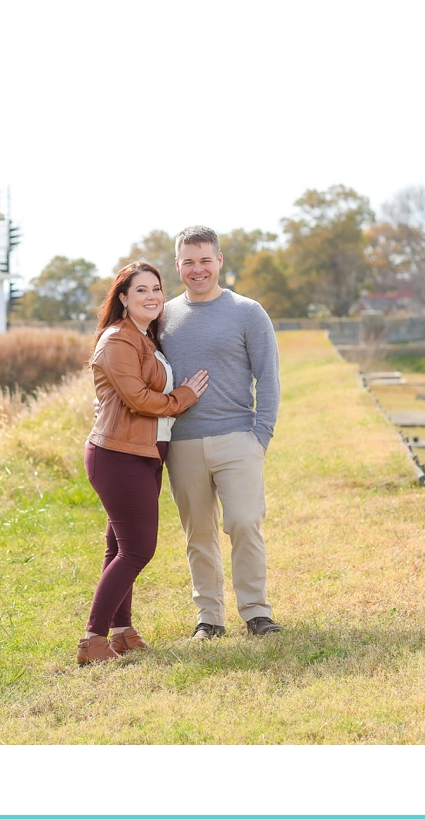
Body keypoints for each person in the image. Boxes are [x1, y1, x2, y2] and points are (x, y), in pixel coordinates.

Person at [78, 261, 210, 665]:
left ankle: (121, 632)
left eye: (156, 289)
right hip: (119, 454)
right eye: (141, 290)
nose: (152, 296)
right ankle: (92, 640)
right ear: (122, 298)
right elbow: (138, 398)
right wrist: (183, 398)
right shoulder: (119, 340)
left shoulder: (144, 338)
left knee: (119, 545)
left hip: (143, 452)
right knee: (137, 550)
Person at [161, 225, 282, 639]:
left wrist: (261, 435)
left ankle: (256, 612)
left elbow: (268, 378)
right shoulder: (164, 316)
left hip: (238, 437)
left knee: (245, 523)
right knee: (199, 534)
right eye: (189, 261)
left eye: (205, 260)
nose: (198, 269)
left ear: (219, 261)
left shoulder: (248, 312)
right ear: (178, 265)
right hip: (182, 443)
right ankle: (209, 619)